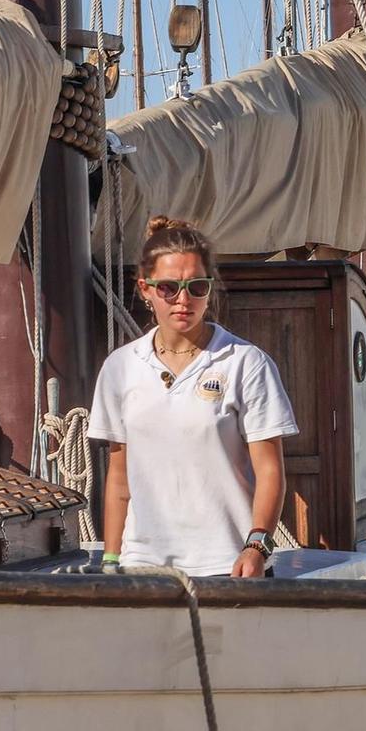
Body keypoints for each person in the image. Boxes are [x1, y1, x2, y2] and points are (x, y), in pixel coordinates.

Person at [88, 217, 297, 577]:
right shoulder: (120, 367)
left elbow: (270, 469)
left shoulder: (246, 363)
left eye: (196, 287)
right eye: (169, 287)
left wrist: (256, 546)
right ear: (145, 289)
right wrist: (110, 560)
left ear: (210, 289)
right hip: (143, 565)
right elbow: (119, 478)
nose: (183, 300)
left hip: (228, 565)